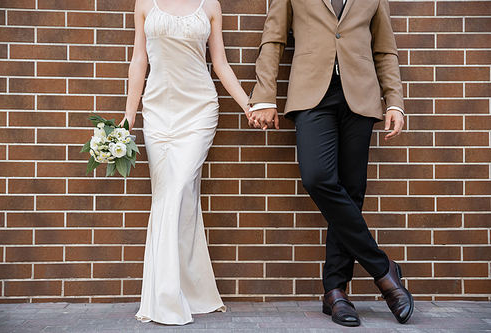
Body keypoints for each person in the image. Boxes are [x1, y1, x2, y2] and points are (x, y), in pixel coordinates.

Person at [248, 0, 413, 327]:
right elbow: (273, 39)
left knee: (351, 193)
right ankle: (383, 268)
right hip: (311, 95)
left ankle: (335, 291)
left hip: (361, 95)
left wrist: (394, 100)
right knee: (317, 177)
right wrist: (265, 94)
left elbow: (385, 49)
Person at [120, 0, 250, 325]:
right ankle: (191, 291)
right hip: (157, 112)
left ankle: (165, 296)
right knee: (175, 196)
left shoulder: (210, 6)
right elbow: (139, 59)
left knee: (176, 191)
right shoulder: (144, 4)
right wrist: (128, 118)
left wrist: (249, 105)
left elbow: (219, 63)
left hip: (199, 110)